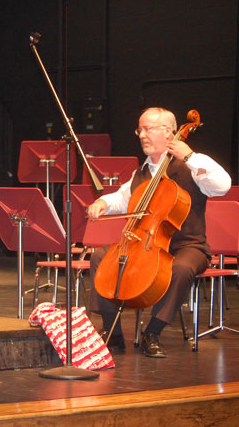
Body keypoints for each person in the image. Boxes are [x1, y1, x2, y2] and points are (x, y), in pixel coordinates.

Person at [85, 107, 231, 358]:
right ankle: (112, 333)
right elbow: (122, 197)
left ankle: (153, 332)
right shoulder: (140, 173)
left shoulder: (194, 165)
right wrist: (103, 203)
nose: (142, 135)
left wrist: (190, 157)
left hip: (188, 245)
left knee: (181, 268)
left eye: (148, 129)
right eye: (139, 129)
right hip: (146, 242)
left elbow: (222, 186)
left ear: (169, 132)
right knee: (100, 256)